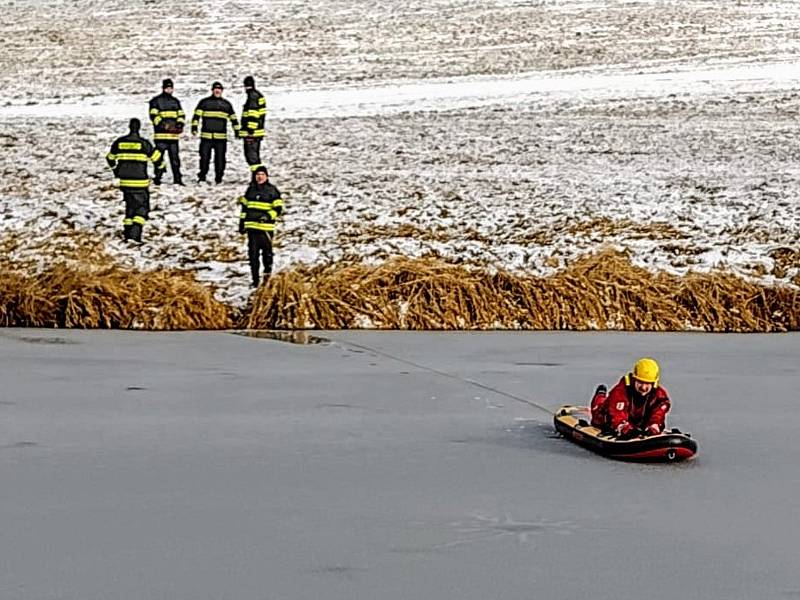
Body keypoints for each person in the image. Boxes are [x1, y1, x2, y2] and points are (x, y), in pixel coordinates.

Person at [105, 118, 164, 243]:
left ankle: (127, 233)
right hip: (140, 182)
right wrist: (159, 172)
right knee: (142, 209)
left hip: (125, 182)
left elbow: (110, 158)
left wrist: (116, 170)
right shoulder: (144, 144)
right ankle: (135, 235)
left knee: (130, 208)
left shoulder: (119, 142)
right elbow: (157, 160)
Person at [590, 357, 671, 438]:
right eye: (640, 382)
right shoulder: (620, 391)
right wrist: (624, 428)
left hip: (637, 421)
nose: (643, 387)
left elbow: (659, 414)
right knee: (598, 407)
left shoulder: (660, 397)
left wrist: (654, 426)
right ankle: (600, 393)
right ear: (634, 379)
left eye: (647, 383)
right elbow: (617, 415)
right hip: (607, 418)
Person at [237, 165, 284, 287]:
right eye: (258, 174)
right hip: (252, 228)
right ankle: (255, 280)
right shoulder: (250, 190)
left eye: (262, 174)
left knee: (267, 255)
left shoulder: (272, 190)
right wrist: (241, 223)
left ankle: (267, 277)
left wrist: (268, 216)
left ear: (267, 176)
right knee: (253, 256)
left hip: (265, 229)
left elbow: (278, 209)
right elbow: (244, 208)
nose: (259, 176)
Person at [190, 81, 240, 184]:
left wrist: (237, 131)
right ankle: (202, 176)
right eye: (215, 89)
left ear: (222, 91)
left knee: (220, 160)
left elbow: (234, 119)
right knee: (204, 158)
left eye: (219, 89)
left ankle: (219, 178)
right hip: (206, 137)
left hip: (221, 138)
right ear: (212, 90)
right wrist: (194, 127)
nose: (217, 91)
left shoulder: (227, 105)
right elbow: (196, 116)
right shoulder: (204, 103)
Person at [148, 78, 185, 185]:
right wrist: (163, 125)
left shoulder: (175, 101)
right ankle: (158, 178)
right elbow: (153, 116)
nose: (169, 90)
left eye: (170, 88)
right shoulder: (155, 101)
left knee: (175, 160)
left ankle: (177, 179)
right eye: (167, 88)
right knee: (159, 159)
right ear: (163, 88)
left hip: (173, 137)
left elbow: (181, 115)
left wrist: (180, 123)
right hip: (161, 137)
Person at [239, 75, 267, 173]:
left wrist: (250, 130)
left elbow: (253, 113)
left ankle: (257, 176)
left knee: (252, 157)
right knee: (254, 156)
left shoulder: (252, 96)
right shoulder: (258, 95)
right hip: (257, 132)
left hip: (252, 133)